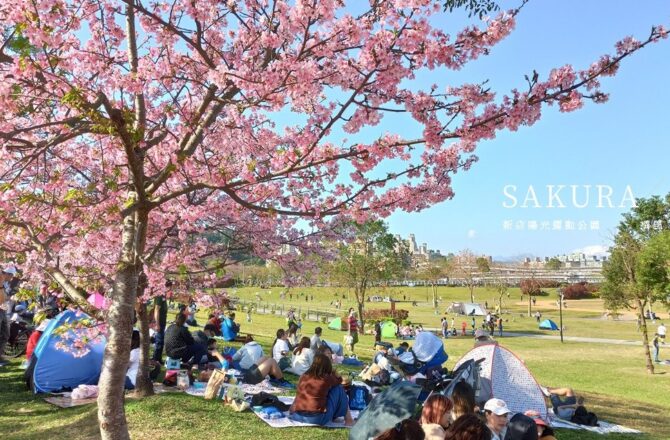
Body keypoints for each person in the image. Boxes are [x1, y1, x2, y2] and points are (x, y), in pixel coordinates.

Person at [289, 353, 353, 426]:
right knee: (339, 388)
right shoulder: (326, 378)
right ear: (327, 366)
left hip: (297, 416)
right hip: (316, 418)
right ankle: (349, 420)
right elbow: (339, 380)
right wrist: (334, 372)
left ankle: (336, 416)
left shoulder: (303, 376)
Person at [0, 268, 15, 365]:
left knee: (6, 334)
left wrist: (10, 298)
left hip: (3, 310)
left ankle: (0, 356)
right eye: (12, 276)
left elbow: (3, 297)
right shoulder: (1, 281)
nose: (12, 278)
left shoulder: (4, 283)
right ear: (8, 274)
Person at [151, 290, 169, 363]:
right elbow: (156, 310)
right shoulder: (160, 296)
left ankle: (158, 358)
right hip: (160, 322)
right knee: (159, 340)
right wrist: (157, 323)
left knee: (161, 341)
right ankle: (156, 359)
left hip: (163, 321)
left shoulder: (163, 296)